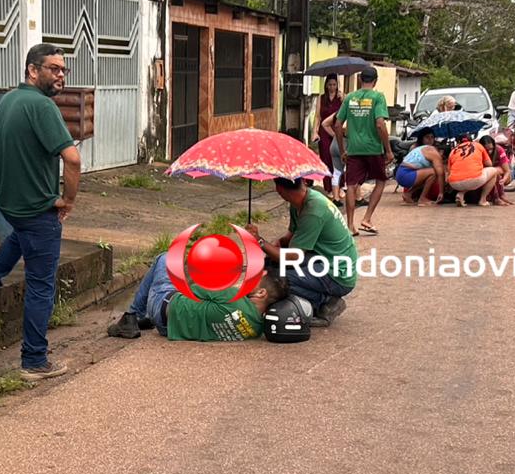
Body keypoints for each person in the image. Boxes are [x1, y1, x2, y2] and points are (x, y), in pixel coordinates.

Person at [0, 43, 82, 380]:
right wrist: (68, 199)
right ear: (32, 70)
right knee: (41, 285)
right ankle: (34, 361)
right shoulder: (42, 106)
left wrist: (15, 175)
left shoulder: (8, 101)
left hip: (12, 205)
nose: (60, 75)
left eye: (63, 70)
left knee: (20, 237)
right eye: (53, 69)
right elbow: (72, 159)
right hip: (39, 209)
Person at [248, 177, 357, 326]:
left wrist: (260, 241)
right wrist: (279, 243)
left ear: (279, 189)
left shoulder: (313, 211)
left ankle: (326, 302)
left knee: (277, 280)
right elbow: (292, 236)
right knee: (268, 264)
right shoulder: (300, 201)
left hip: (338, 274)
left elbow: (293, 256)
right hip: (322, 260)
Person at [106, 253, 288, 341]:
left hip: (162, 306)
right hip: (169, 330)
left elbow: (191, 288)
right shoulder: (257, 330)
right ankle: (138, 318)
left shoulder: (232, 295)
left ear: (261, 293)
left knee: (166, 258)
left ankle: (132, 316)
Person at [336, 67, 392, 236]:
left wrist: (342, 150)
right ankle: (367, 218)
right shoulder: (378, 97)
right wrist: (388, 150)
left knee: (351, 185)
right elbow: (380, 124)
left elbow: (337, 124)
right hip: (373, 148)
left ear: (360, 79)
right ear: (375, 81)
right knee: (380, 181)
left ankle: (350, 225)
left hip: (353, 149)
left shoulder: (350, 98)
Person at [395, 126, 446, 205]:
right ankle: (422, 198)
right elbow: (440, 173)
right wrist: (441, 193)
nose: (430, 139)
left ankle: (408, 194)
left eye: (432, 137)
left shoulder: (418, 148)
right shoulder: (432, 151)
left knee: (430, 173)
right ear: (422, 138)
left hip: (400, 174)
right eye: (427, 137)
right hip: (407, 175)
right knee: (434, 172)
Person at [446, 135, 499, 207]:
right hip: (474, 179)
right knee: (494, 171)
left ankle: (461, 194)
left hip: (454, 183)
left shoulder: (453, 151)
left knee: (469, 177)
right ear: (471, 140)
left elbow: (449, 172)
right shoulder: (478, 145)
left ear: (458, 142)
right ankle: (483, 200)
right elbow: (489, 164)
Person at [316, 75, 343, 196]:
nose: (332, 87)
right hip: (324, 131)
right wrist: (314, 132)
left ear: (337, 85)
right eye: (330, 85)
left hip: (337, 130)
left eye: (334, 85)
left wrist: (343, 98)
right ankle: (328, 188)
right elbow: (318, 117)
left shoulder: (341, 97)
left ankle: (339, 185)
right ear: (326, 85)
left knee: (338, 158)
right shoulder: (321, 98)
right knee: (326, 158)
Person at [320, 110, 347, 204]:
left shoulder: (338, 113)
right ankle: (357, 197)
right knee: (352, 172)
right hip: (345, 145)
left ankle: (336, 198)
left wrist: (335, 135)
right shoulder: (352, 113)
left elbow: (324, 123)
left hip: (334, 144)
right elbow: (346, 128)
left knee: (336, 173)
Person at [479, 134, 514, 206]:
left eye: (491, 149)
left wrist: (504, 179)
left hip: (499, 172)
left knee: (494, 172)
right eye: (487, 150)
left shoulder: (499, 150)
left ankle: (501, 195)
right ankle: (496, 197)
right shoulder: (479, 152)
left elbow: (507, 170)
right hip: (484, 175)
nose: (489, 152)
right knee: (493, 173)